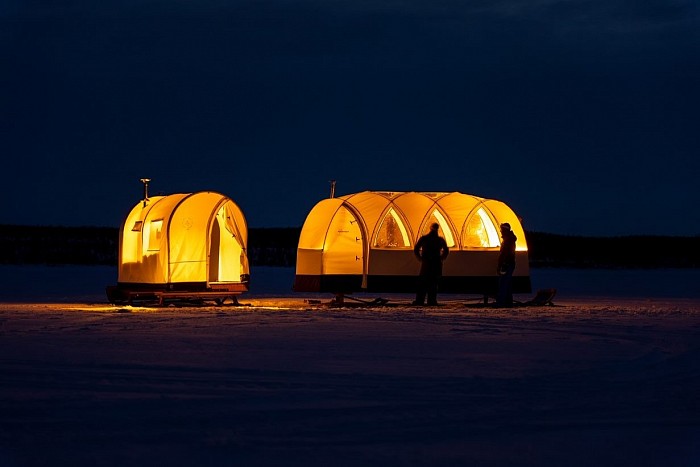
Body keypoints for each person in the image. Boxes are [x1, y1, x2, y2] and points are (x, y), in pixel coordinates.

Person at [413, 223, 449, 306]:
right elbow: (446, 250)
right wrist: (441, 258)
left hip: (427, 264)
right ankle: (431, 301)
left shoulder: (424, 239)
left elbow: (416, 249)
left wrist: (420, 258)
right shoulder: (439, 240)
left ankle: (420, 300)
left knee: (423, 283)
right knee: (433, 284)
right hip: (435, 264)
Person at [496, 222, 517, 307]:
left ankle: (501, 302)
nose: (500, 231)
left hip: (507, 264)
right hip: (508, 264)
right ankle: (508, 302)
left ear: (504, 230)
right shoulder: (508, 239)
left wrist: (504, 264)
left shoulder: (508, 240)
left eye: (501, 229)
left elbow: (507, 253)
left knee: (503, 283)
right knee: (506, 284)